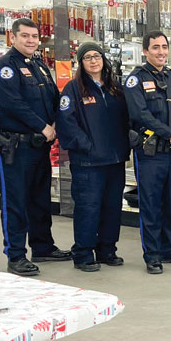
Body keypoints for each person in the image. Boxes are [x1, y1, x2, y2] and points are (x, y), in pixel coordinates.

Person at [0, 17, 70, 276]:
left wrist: (57, 120)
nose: (31, 40)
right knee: (15, 201)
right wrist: (43, 126)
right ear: (13, 37)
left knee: (39, 198)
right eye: (25, 36)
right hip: (12, 147)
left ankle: (43, 247)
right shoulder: (5, 68)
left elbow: (54, 98)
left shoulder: (39, 66)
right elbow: (12, 103)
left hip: (38, 145)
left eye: (34, 36)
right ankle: (15, 255)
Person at [124, 31, 171, 274]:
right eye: (155, 47)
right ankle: (152, 255)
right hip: (150, 154)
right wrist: (170, 133)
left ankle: (170, 249)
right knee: (151, 205)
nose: (161, 52)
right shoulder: (135, 80)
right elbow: (140, 114)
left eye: (164, 47)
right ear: (145, 51)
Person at [56, 42, 130, 272]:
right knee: (88, 209)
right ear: (81, 63)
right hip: (88, 163)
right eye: (87, 57)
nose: (93, 61)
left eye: (97, 56)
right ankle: (83, 253)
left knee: (112, 208)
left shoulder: (114, 88)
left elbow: (127, 118)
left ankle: (107, 250)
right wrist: (87, 146)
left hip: (115, 160)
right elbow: (66, 123)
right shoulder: (73, 89)